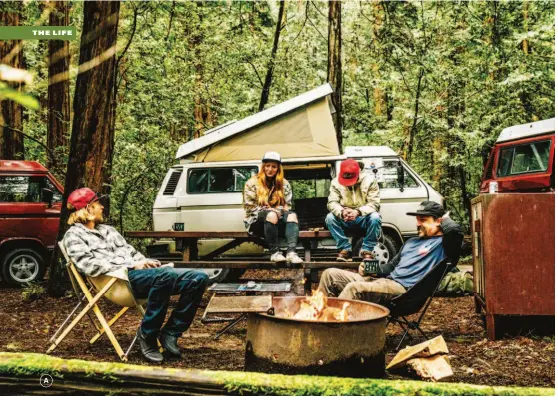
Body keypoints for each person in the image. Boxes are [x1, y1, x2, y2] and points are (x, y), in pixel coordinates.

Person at [62, 188, 208, 363]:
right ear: (88, 209)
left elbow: (131, 253)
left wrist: (146, 261)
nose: (102, 207)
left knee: (198, 278)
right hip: (118, 282)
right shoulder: (73, 235)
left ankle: (171, 332)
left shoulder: (109, 230)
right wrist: (131, 265)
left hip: (140, 275)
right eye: (97, 204)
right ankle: (148, 335)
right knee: (166, 276)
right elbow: (88, 265)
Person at [319, 201, 463, 305]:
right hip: (383, 283)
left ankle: (333, 331)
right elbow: (391, 267)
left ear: (439, 221)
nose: (418, 224)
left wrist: (444, 217)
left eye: (423, 220)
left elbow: (454, 230)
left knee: (353, 289)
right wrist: (369, 268)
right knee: (329, 274)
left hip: (404, 292)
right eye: (417, 220)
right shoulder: (411, 242)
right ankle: (319, 319)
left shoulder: (445, 245)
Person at [243, 151, 303, 264]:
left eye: (274, 167)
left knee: (292, 216)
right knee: (271, 214)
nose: (270, 169)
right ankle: (274, 252)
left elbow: (287, 206)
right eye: (267, 166)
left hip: (278, 220)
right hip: (256, 221)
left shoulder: (284, 184)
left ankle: (291, 253)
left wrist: (278, 210)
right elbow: (249, 208)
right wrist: (268, 210)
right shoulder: (251, 183)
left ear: (278, 169)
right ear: (263, 167)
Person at [326, 158, 382, 262]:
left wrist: (358, 212)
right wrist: (342, 212)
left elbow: (375, 204)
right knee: (330, 218)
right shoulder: (335, 182)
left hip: (363, 217)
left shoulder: (370, 181)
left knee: (375, 217)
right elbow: (332, 202)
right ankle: (345, 248)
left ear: (358, 173)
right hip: (345, 217)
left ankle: (367, 250)